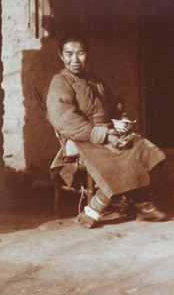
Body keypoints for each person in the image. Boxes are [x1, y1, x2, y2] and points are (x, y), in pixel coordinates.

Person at [47, 33, 166, 228]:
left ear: (88, 55)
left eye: (81, 53)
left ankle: (140, 202)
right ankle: (96, 208)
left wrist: (122, 123)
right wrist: (104, 135)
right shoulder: (60, 82)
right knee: (121, 154)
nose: (75, 59)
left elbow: (114, 108)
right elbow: (65, 120)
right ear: (60, 55)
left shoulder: (96, 81)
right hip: (80, 140)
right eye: (69, 54)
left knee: (149, 150)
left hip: (109, 135)